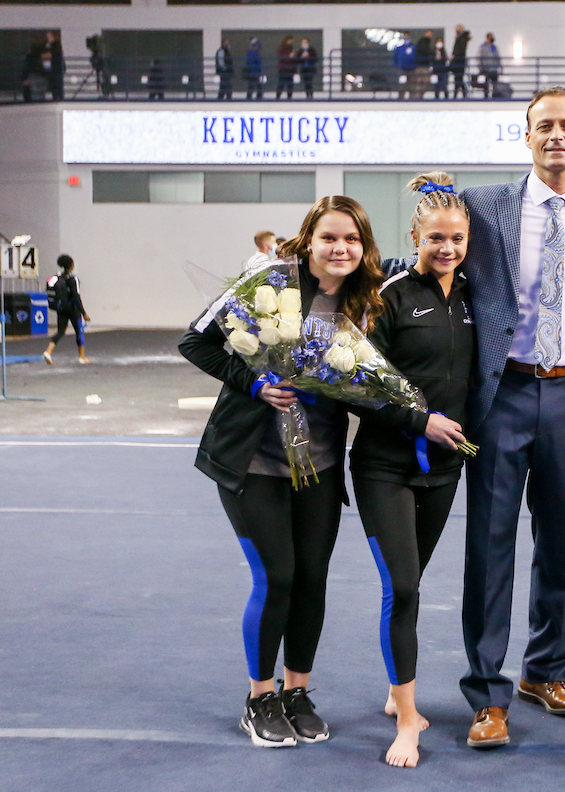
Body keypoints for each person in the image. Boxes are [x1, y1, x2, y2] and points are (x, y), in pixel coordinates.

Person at [457, 87, 565, 748]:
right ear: (525, 135)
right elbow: (430, 256)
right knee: (491, 543)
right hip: (502, 393)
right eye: (544, 125)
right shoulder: (482, 205)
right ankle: (486, 692)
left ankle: (545, 670)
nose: (556, 134)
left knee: (559, 542)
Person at [178, 196, 387, 748]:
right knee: (277, 577)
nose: (340, 248)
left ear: (363, 249)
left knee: (312, 580)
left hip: (317, 463)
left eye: (351, 240)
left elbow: (367, 383)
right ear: (309, 240)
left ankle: (297, 691)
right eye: (329, 238)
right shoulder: (268, 283)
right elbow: (193, 340)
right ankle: (259, 697)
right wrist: (255, 383)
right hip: (252, 459)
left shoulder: (364, 304)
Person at [351, 173, 475, 768]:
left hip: (444, 470)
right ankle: (406, 719)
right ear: (414, 236)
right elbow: (358, 383)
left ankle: (396, 686)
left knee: (413, 585)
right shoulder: (391, 297)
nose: (446, 248)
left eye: (455, 238)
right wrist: (418, 418)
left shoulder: (475, 300)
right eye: (435, 239)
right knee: (401, 588)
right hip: (383, 466)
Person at [42, 254, 90, 365]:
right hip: (73, 309)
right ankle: (82, 357)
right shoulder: (73, 279)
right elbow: (76, 297)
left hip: (61, 308)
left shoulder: (57, 277)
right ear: (71, 265)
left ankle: (48, 351)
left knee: (60, 331)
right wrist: (83, 313)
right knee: (79, 332)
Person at [478, 32, 501, 98]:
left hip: (494, 69)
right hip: (486, 69)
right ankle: (486, 96)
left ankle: (495, 95)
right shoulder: (483, 47)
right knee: (486, 84)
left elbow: (497, 57)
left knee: (495, 84)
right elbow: (480, 57)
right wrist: (481, 67)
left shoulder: (494, 47)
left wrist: (499, 66)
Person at [451, 24, 471, 99]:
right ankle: (462, 94)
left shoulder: (461, 38)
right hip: (459, 60)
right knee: (459, 78)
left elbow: (460, 50)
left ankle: (458, 95)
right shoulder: (461, 38)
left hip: (459, 60)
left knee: (458, 78)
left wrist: (454, 55)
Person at [44, 31, 64, 101]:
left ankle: (58, 98)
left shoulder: (56, 45)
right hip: (53, 69)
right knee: (54, 86)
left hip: (56, 69)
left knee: (57, 86)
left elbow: (54, 54)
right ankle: (56, 97)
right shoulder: (49, 45)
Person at [414, 30, 434, 99]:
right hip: (420, 65)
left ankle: (420, 96)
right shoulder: (422, 42)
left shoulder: (429, 43)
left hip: (426, 65)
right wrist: (432, 53)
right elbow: (425, 51)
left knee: (426, 82)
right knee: (419, 82)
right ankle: (417, 97)